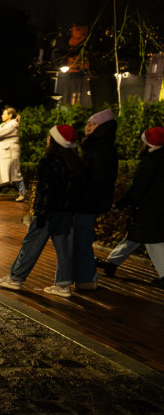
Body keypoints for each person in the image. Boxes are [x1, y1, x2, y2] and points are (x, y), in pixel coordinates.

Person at [0, 124, 82, 298]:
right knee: (65, 247)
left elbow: (46, 189)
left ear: (56, 141)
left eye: (50, 137)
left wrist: (41, 211)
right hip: (66, 211)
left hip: (48, 211)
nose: (47, 139)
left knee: (32, 244)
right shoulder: (75, 163)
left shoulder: (49, 161)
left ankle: (16, 278)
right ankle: (64, 285)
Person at [98, 127, 164, 288]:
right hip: (158, 209)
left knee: (153, 241)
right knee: (134, 237)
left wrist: (119, 204)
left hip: (148, 209)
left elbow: (137, 188)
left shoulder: (150, 161)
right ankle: (112, 262)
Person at [73, 109, 119, 290]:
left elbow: (97, 179)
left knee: (82, 240)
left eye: (92, 123)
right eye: (87, 123)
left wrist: (81, 190)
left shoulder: (101, 149)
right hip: (89, 201)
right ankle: (86, 278)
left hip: (88, 202)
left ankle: (87, 279)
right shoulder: (97, 146)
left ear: (103, 127)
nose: (87, 126)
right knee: (82, 239)